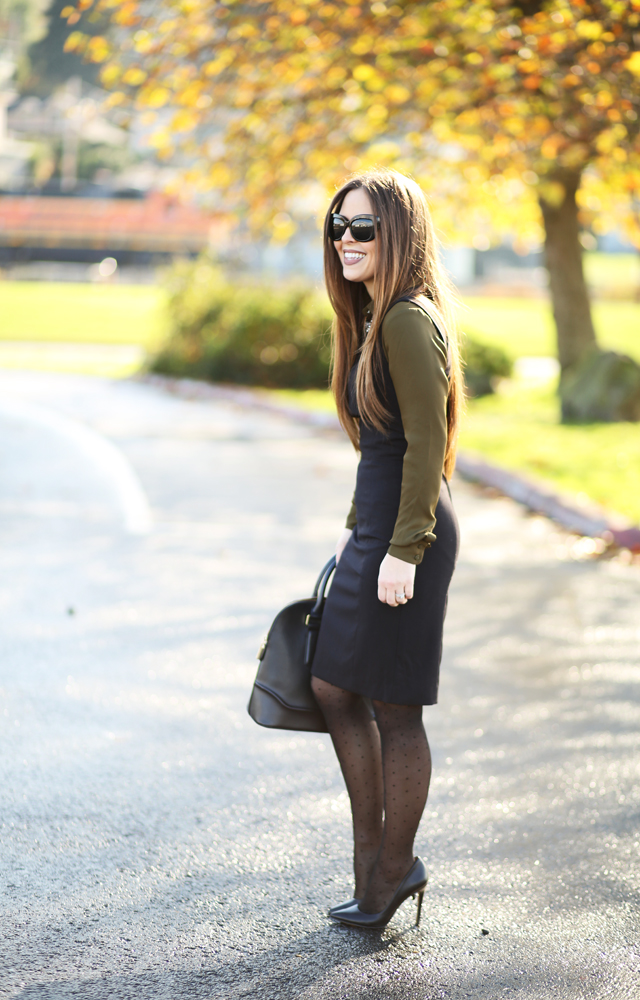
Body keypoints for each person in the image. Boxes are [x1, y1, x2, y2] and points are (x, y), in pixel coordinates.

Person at [310, 168, 463, 929]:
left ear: (398, 233)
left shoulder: (406, 318)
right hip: (378, 529)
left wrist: (404, 549)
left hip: (410, 534)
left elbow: (427, 442)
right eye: (339, 225)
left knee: (394, 708)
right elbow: (382, 443)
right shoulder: (375, 320)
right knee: (336, 687)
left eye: (363, 227)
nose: (346, 238)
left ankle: (391, 871)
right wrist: (354, 534)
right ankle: (377, 869)